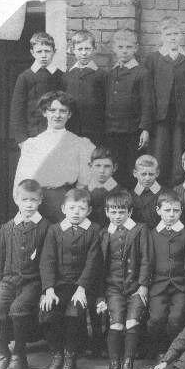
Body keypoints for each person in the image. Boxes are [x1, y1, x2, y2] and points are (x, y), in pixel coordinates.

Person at [39, 188, 102, 369]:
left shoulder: (94, 230)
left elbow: (94, 262)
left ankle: (70, 358)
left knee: (74, 313)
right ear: (63, 208)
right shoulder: (54, 230)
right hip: (59, 286)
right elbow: (47, 260)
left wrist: (82, 288)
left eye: (81, 208)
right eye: (72, 207)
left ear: (89, 210)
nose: (76, 212)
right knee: (48, 312)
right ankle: (57, 355)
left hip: (84, 286)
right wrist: (49, 290)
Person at [0, 179, 50, 369]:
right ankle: (3, 354)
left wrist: (46, 288)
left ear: (40, 200)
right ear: (16, 199)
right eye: (24, 199)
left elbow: (47, 262)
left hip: (32, 282)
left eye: (33, 200)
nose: (28, 204)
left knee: (18, 309)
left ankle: (19, 356)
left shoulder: (45, 227)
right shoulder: (7, 228)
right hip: (8, 281)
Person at [95, 190, 151, 369]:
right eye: (113, 212)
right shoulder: (104, 233)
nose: (117, 216)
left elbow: (145, 259)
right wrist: (100, 295)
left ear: (130, 211)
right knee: (116, 323)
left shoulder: (140, 229)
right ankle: (114, 367)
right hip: (113, 288)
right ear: (107, 212)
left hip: (135, 287)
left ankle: (128, 367)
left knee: (132, 321)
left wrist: (143, 286)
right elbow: (98, 268)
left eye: (121, 212)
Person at [13, 90, 95, 223]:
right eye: (52, 110)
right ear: (45, 112)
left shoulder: (80, 143)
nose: (57, 115)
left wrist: (74, 205)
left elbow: (84, 180)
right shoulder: (32, 144)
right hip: (35, 202)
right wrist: (25, 207)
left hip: (65, 202)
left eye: (63, 111)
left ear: (69, 114)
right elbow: (20, 180)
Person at [145, 16, 185, 186]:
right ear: (161, 36)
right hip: (159, 117)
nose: (173, 37)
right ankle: (159, 191)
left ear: (181, 35)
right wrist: (146, 123)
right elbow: (147, 93)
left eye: (176, 33)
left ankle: (178, 189)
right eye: (168, 34)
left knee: (179, 155)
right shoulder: (153, 59)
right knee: (160, 153)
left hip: (181, 118)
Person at [83, 146, 122, 357]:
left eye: (107, 166)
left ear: (114, 168)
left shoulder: (119, 192)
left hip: (111, 248)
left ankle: (109, 337)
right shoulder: (85, 192)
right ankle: (94, 338)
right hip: (90, 248)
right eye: (97, 166)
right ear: (90, 167)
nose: (102, 171)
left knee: (108, 292)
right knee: (92, 291)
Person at [147, 190, 185, 361]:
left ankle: (174, 353)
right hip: (158, 286)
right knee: (156, 319)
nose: (171, 214)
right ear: (158, 210)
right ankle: (160, 350)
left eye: (176, 210)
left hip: (181, 286)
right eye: (167, 210)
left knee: (176, 319)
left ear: (181, 211)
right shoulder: (152, 234)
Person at [104, 29, 153, 188]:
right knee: (116, 166)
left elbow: (147, 102)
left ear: (136, 48)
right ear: (114, 49)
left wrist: (145, 128)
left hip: (132, 130)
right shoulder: (112, 72)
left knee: (132, 167)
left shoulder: (141, 73)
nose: (124, 51)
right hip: (113, 129)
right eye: (120, 47)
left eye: (128, 47)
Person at [10, 32, 64, 143]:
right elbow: (17, 112)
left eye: (47, 51)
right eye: (39, 51)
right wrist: (22, 140)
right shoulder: (25, 77)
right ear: (32, 53)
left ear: (54, 52)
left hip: (57, 135)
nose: (43, 55)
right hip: (32, 135)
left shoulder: (61, 76)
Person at [62, 29, 107, 146]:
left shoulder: (101, 75)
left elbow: (106, 103)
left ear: (94, 49)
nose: (83, 53)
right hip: (72, 128)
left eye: (87, 49)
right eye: (80, 49)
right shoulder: (67, 75)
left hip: (95, 129)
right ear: (73, 50)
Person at [131, 155, 166, 230]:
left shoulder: (165, 194)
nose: (147, 178)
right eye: (143, 174)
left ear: (157, 173)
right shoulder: (130, 195)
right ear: (135, 173)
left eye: (151, 174)